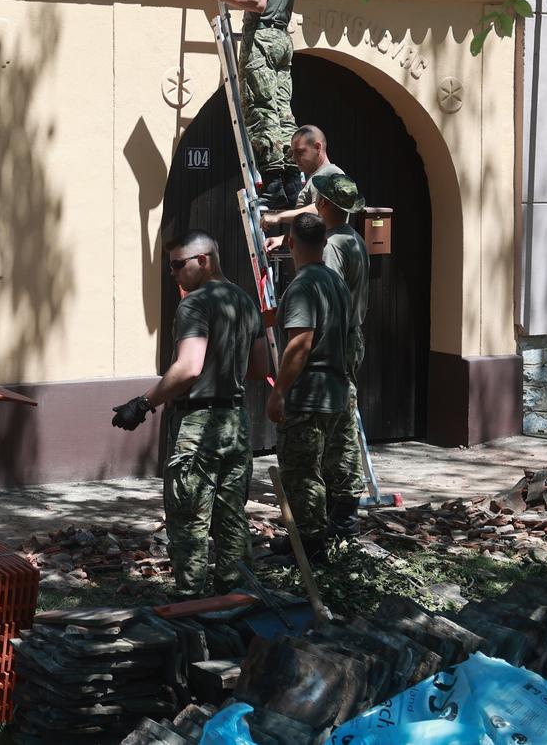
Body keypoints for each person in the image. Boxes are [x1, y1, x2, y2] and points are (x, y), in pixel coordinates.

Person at [111, 231, 268, 596]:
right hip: (236, 422)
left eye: (178, 264)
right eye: (170, 266)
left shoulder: (194, 304)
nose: (173, 273)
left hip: (198, 424)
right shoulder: (245, 301)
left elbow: (188, 367)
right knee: (231, 516)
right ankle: (234, 597)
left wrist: (143, 403)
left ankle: (189, 599)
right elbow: (261, 367)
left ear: (204, 260)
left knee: (189, 517)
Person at [266, 213, 352, 565]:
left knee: (302, 476)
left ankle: (311, 554)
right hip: (336, 392)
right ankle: (308, 540)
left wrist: (279, 392)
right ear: (324, 244)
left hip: (309, 395)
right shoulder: (335, 281)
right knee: (325, 471)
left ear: (290, 243)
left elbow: (300, 343)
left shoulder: (302, 286)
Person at [204, 0, 300, 205]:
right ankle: (292, 180)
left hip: (261, 37)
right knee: (283, 110)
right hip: (283, 40)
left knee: (261, 109)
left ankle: (272, 184)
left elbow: (258, 2)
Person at [314, 171, 370, 537]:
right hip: (353, 338)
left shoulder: (333, 245)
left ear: (324, 205)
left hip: (335, 341)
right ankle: (342, 508)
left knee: (335, 427)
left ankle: (339, 511)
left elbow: (328, 296)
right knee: (343, 420)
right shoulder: (353, 239)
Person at [262, 125, 340, 246]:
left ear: (317, 147)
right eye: (293, 153)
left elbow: (319, 211)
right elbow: (314, 228)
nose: (294, 158)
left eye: (299, 152)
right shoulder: (318, 176)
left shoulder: (330, 174)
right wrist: (282, 240)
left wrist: (279, 217)